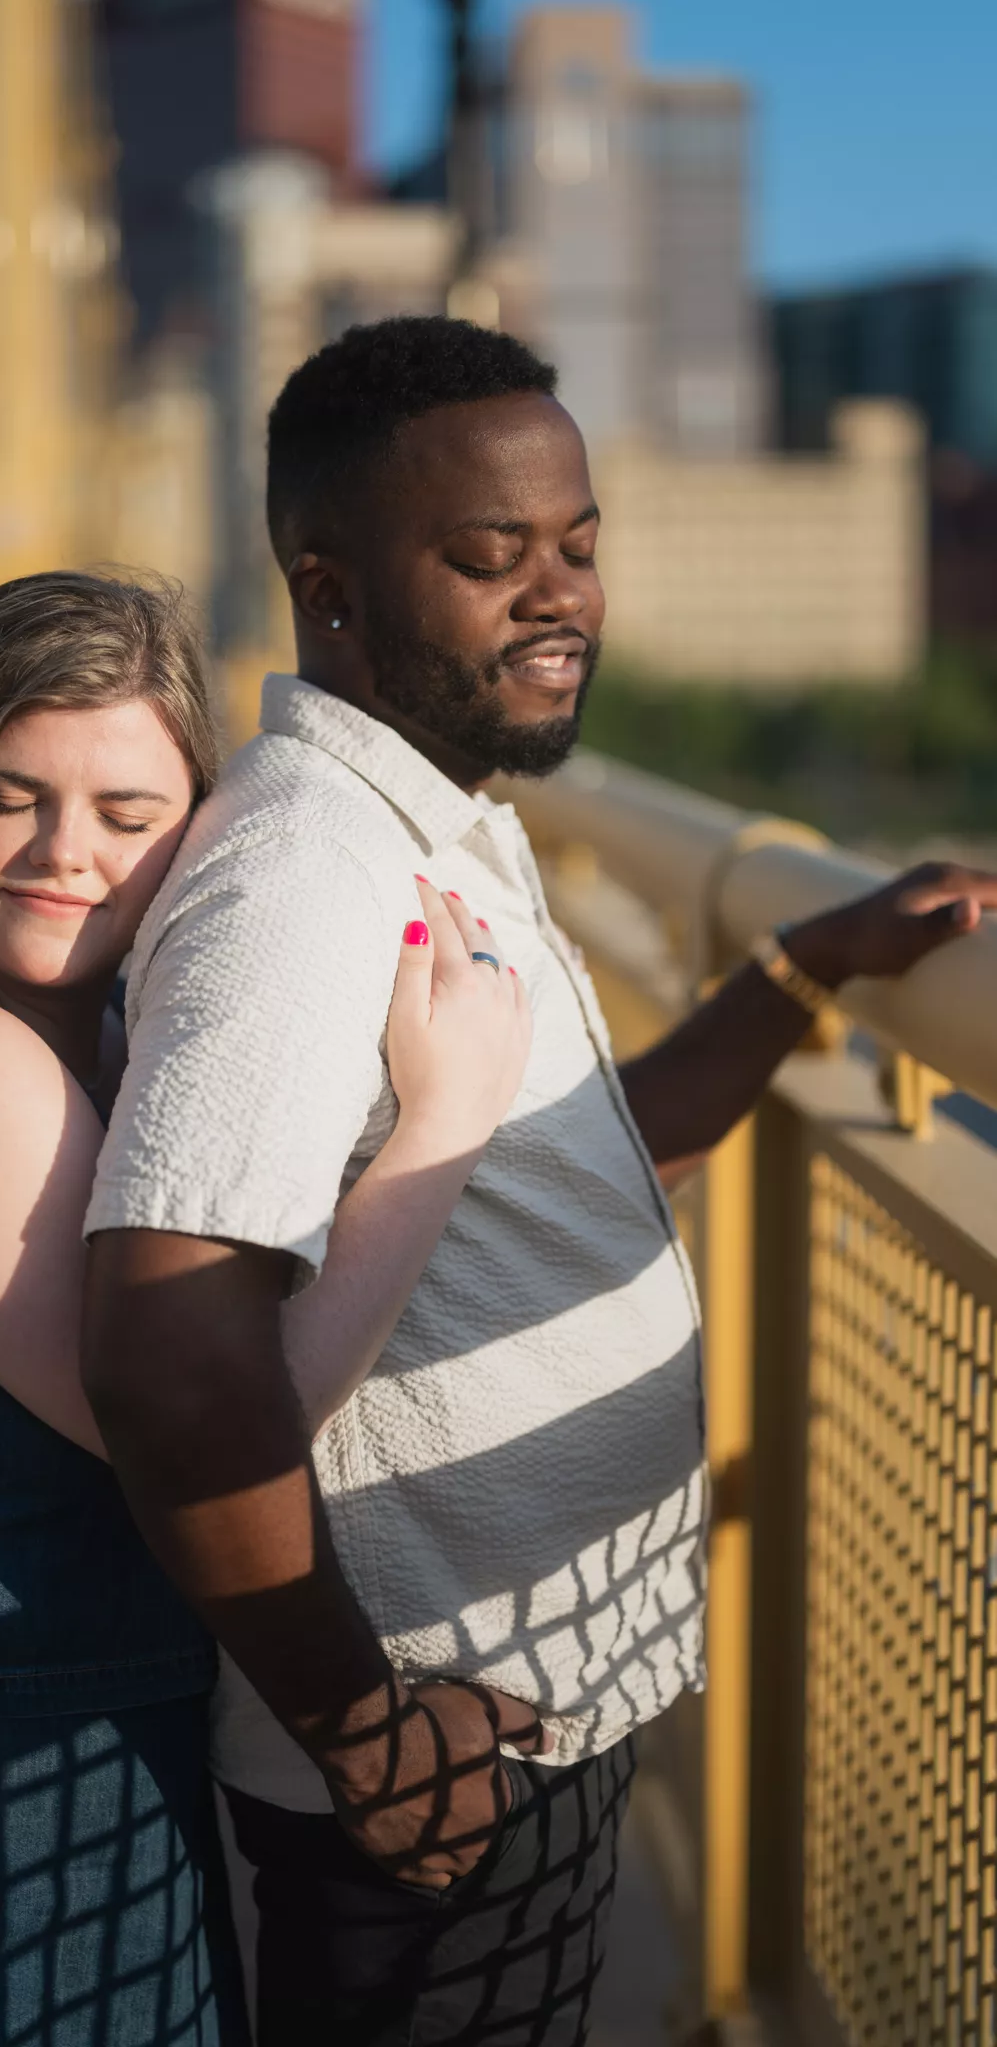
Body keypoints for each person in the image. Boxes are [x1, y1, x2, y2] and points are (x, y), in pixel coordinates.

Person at [78, 317, 997, 2046]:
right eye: (491, 559)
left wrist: (802, 969)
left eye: (577, 545)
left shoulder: (438, 821)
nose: (559, 596)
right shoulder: (303, 886)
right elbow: (167, 1354)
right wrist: (365, 1729)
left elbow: (568, 1171)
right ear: (333, 593)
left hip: (507, 1716)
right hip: (430, 1754)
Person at [0, 569, 534, 2047]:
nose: (67, 855)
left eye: (130, 820)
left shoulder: (92, 1051)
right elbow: (207, 1429)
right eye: (13, 798)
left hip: (59, 1774)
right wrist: (443, 1121)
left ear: (194, 835)